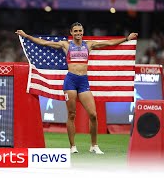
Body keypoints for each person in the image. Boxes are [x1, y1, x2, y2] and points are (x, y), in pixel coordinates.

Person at [15, 22, 138, 154]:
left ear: (83, 32)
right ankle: (73, 146)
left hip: (84, 82)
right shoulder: (66, 45)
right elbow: (44, 43)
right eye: (76, 31)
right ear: (71, 33)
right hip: (70, 81)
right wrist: (26, 36)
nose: (78, 33)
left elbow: (109, 43)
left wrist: (127, 38)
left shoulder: (89, 45)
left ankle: (94, 145)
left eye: (80, 31)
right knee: (72, 114)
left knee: (93, 114)